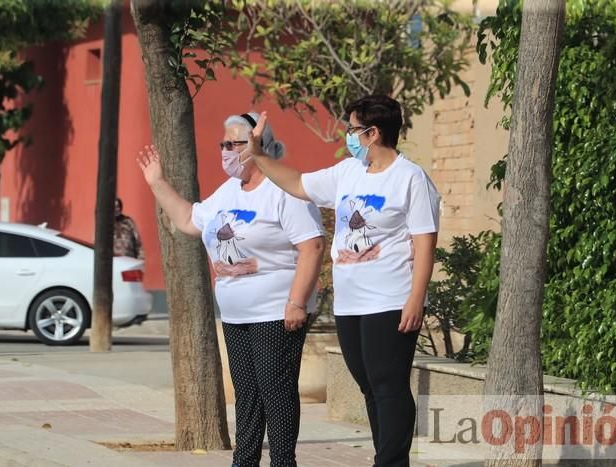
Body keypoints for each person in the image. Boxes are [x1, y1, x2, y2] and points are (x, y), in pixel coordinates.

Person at [244, 95, 440, 467]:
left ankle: (391, 462)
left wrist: (416, 298)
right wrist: (259, 156)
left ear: (373, 133)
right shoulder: (348, 171)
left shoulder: (410, 178)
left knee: (388, 385)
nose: (348, 136)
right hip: (351, 303)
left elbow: (424, 242)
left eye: (352, 129)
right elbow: (298, 183)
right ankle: (386, 457)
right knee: (369, 385)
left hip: (391, 299)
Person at [136, 112, 325, 467]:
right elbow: (189, 221)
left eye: (234, 143)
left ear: (258, 144)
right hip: (237, 315)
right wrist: (156, 182)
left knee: (275, 390)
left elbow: (312, 246)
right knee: (248, 393)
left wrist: (297, 302)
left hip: (276, 310)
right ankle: (245, 460)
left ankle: (283, 462)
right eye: (223, 144)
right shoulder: (227, 192)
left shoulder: (283, 191)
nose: (225, 150)